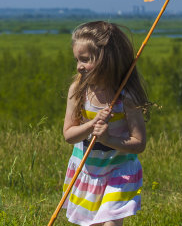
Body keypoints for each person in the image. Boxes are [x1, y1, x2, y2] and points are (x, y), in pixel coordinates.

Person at [61, 21, 149, 226]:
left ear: (106, 61)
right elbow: (69, 135)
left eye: (85, 60)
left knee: (109, 224)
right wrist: (91, 125)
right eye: (77, 59)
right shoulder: (78, 91)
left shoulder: (126, 96)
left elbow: (139, 143)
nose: (78, 66)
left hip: (119, 170)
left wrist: (109, 139)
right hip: (88, 170)